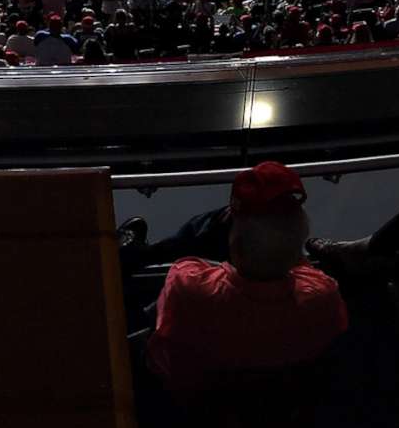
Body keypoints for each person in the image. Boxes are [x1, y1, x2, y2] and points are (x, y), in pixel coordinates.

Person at [145, 161, 348, 400]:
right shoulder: (322, 296)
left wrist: (223, 224)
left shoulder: (189, 285)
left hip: (197, 408)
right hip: (286, 412)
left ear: (234, 239)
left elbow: (185, 252)